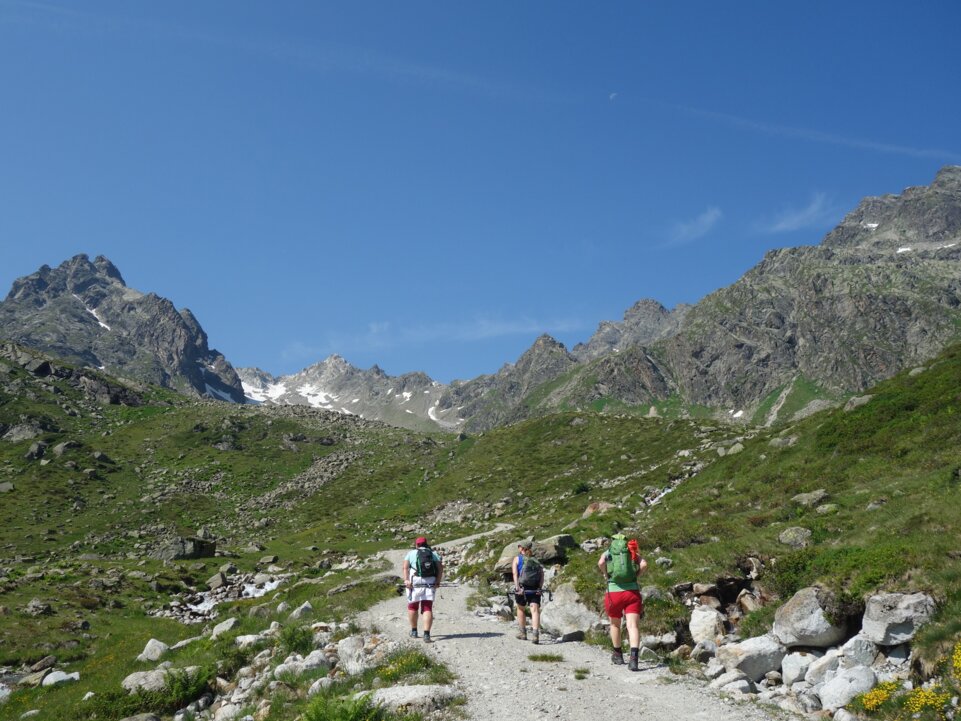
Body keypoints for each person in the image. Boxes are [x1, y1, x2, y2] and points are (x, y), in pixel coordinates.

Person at [598, 533, 647, 670]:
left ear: (612, 541)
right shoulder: (631, 551)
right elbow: (644, 564)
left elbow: (601, 563)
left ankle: (618, 655)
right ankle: (634, 659)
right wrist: (636, 576)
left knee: (615, 625)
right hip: (632, 592)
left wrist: (605, 574)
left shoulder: (608, 552)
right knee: (633, 626)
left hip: (613, 593)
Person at [403, 536, 443, 643]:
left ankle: (414, 631)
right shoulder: (433, 554)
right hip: (430, 582)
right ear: (426, 544)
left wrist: (406, 580)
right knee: (427, 608)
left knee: (412, 606)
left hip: (414, 582)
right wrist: (438, 581)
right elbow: (440, 568)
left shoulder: (411, 553)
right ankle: (426, 635)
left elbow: (405, 567)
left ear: (417, 545)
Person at [511, 539, 544, 643]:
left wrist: (517, 587)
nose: (518, 548)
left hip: (522, 587)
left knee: (520, 609)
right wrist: (539, 587)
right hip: (534, 587)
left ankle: (523, 633)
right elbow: (542, 575)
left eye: (519, 546)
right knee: (535, 610)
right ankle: (535, 635)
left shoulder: (517, 559)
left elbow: (515, 574)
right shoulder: (535, 559)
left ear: (521, 548)